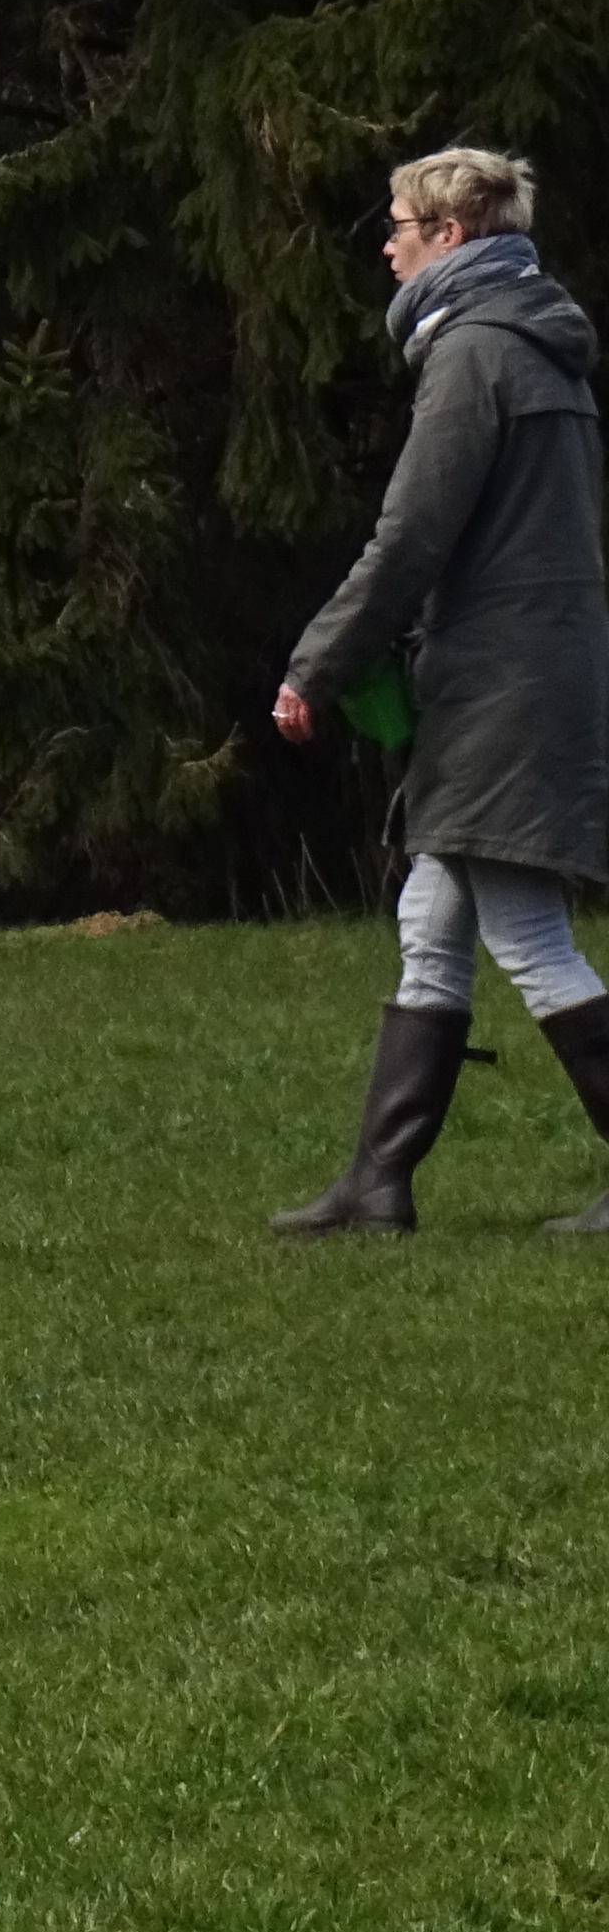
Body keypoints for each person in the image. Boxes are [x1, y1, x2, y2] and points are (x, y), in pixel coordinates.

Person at [270, 145, 609, 1236]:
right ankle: (378, 1186)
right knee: (432, 918)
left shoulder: (473, 355)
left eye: (401, 227)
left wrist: (316, 664)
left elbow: (411, 536)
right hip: (532, 667)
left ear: (449, 239)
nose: (388, 244)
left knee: (527, 936)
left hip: (498, 685)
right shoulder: (544, 347)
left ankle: (378, 1187)